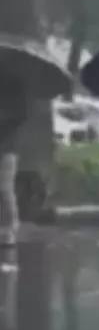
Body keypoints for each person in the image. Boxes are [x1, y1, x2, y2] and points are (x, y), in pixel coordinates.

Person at [0, 87, 29, 247]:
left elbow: (18, 119)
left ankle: (10, 228)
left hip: (7, 150)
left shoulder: (12, 89)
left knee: (4, 189)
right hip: (7, 148)